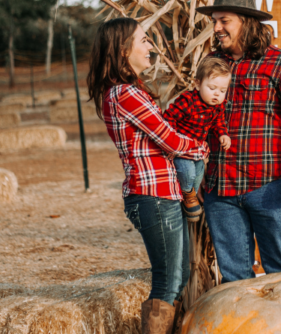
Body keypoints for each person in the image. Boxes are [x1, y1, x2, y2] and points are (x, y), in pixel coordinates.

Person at [87, 17, 205, 334]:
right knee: (169, 279)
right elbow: (170, 140)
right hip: (153, 196)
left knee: (176, 274)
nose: (151, 45)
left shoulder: (127, 92)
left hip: (159, 194)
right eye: (143, 40)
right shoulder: (126, 94)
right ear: (123, 50)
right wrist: (204, 149)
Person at [194, 0, 281, 283]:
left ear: (247, 22)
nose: (217, 28)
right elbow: (197, 119)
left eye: (224, 21)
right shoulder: (211, 64)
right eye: (214, 21)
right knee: (235, 279)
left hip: (268, 187)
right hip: (220, 190)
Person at [162, 56, 232, 220]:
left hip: (197, 148)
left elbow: (218, 122)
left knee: (199, 171)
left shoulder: (217, 106)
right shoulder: (188, 101)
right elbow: (169, 117)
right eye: (212, 88)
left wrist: (222, 134)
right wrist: (172, 138)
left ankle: (188, 195)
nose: (217, 94)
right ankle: (188, 193)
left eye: (222, 91)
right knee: (186, 170)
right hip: (181, 146)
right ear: (197, 84)